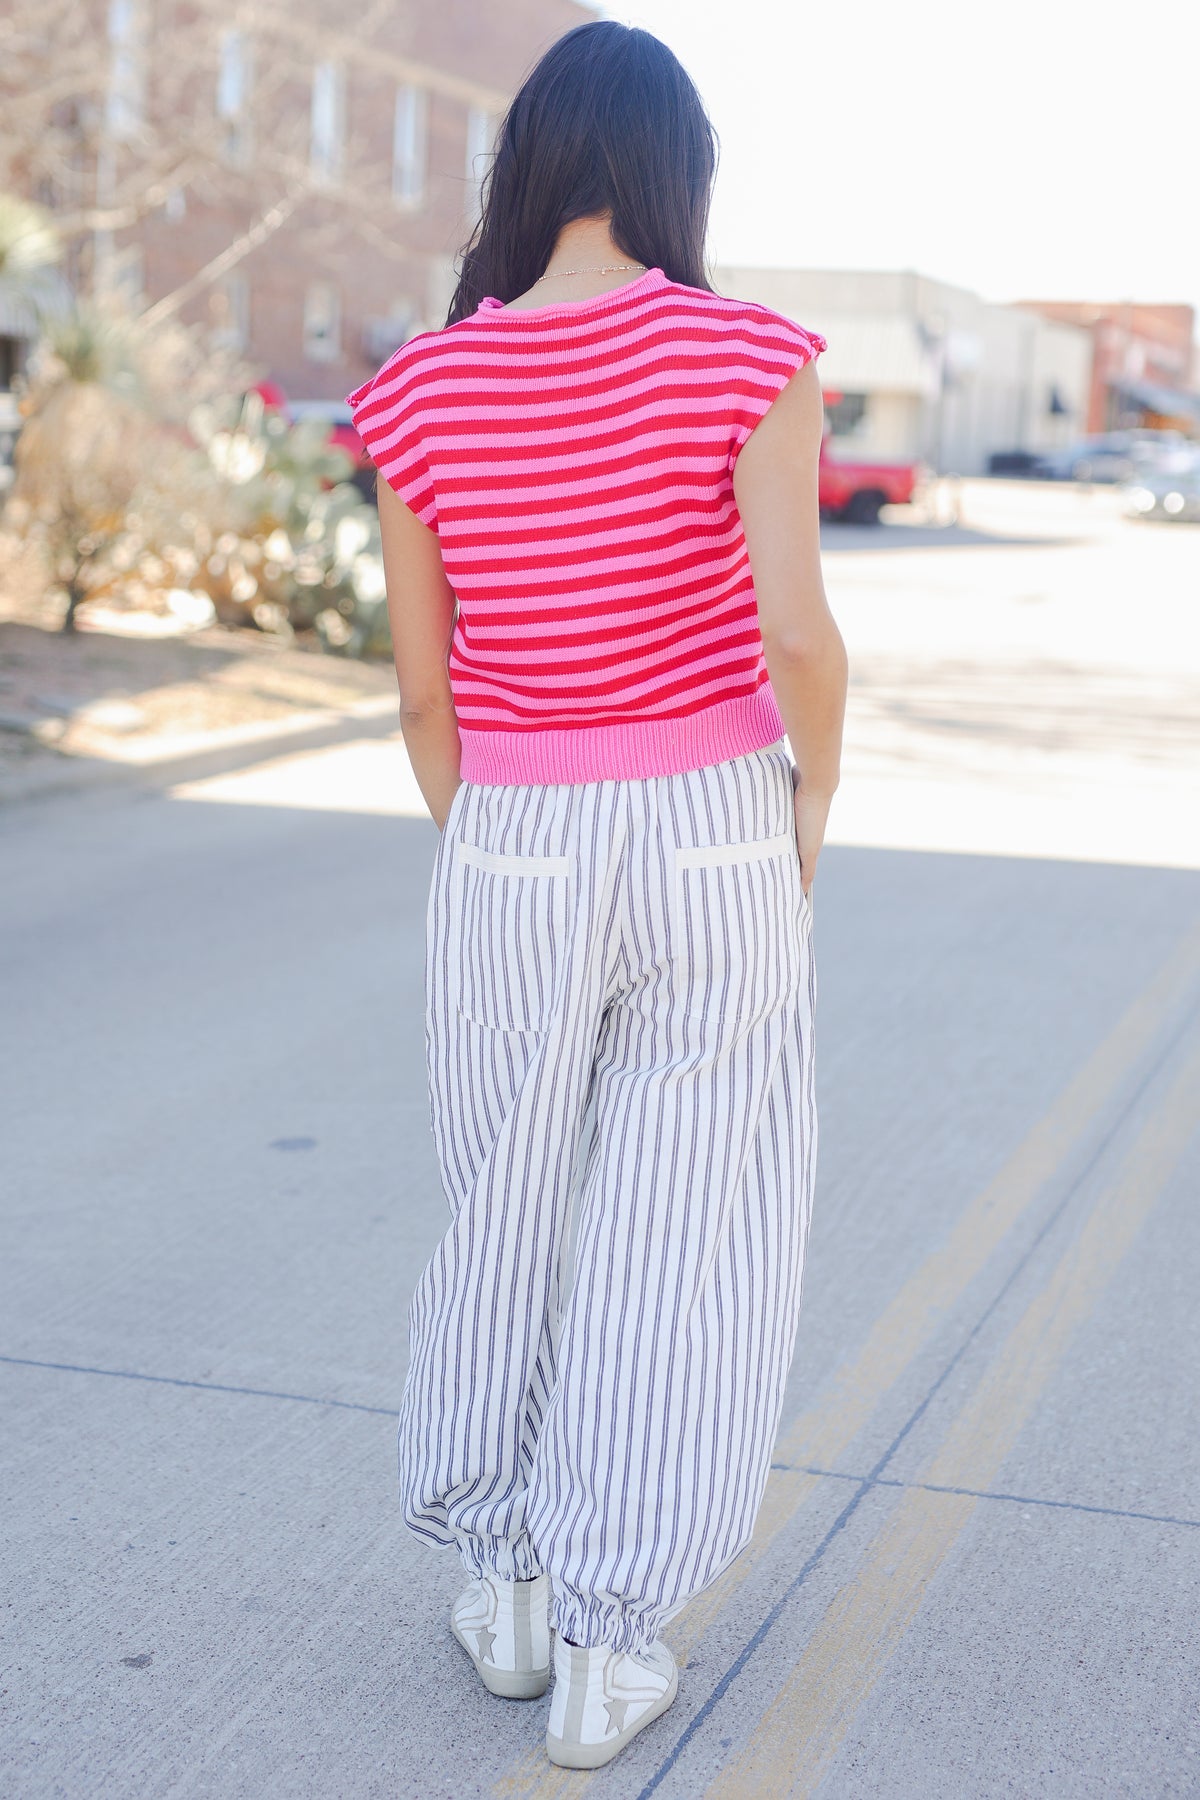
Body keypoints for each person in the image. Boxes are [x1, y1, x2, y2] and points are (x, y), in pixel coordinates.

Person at [345, 18, 848, 1774]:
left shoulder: (418, 389)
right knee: (678, 1233)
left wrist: (492, 835)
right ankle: (612, 1638)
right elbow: (794, 635)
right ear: (670, 173)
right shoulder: (747, 356)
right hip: (713, 815)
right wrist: (803, 818)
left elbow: (423, 691)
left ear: (532, 166)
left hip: (509, 828)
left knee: (502, 1196)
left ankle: (497, 1576)